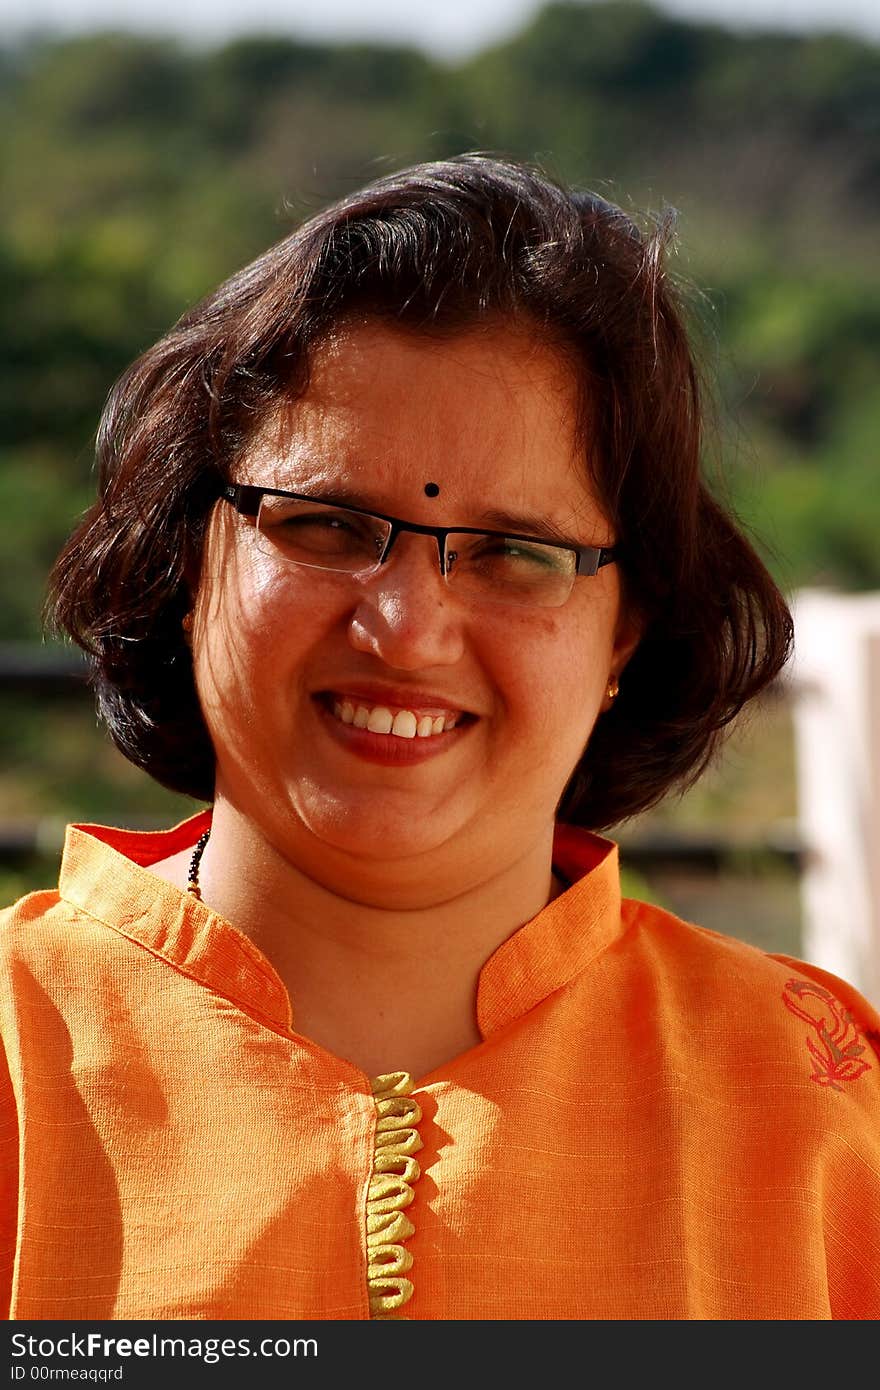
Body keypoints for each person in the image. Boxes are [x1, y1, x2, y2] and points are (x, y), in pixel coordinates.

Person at [1, 155, 878, 1323]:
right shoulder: (20, 1055)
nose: (407, 630)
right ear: (183, 561)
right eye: (323, 524)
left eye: (517, 553)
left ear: (624, 635)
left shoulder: (817, 1107)